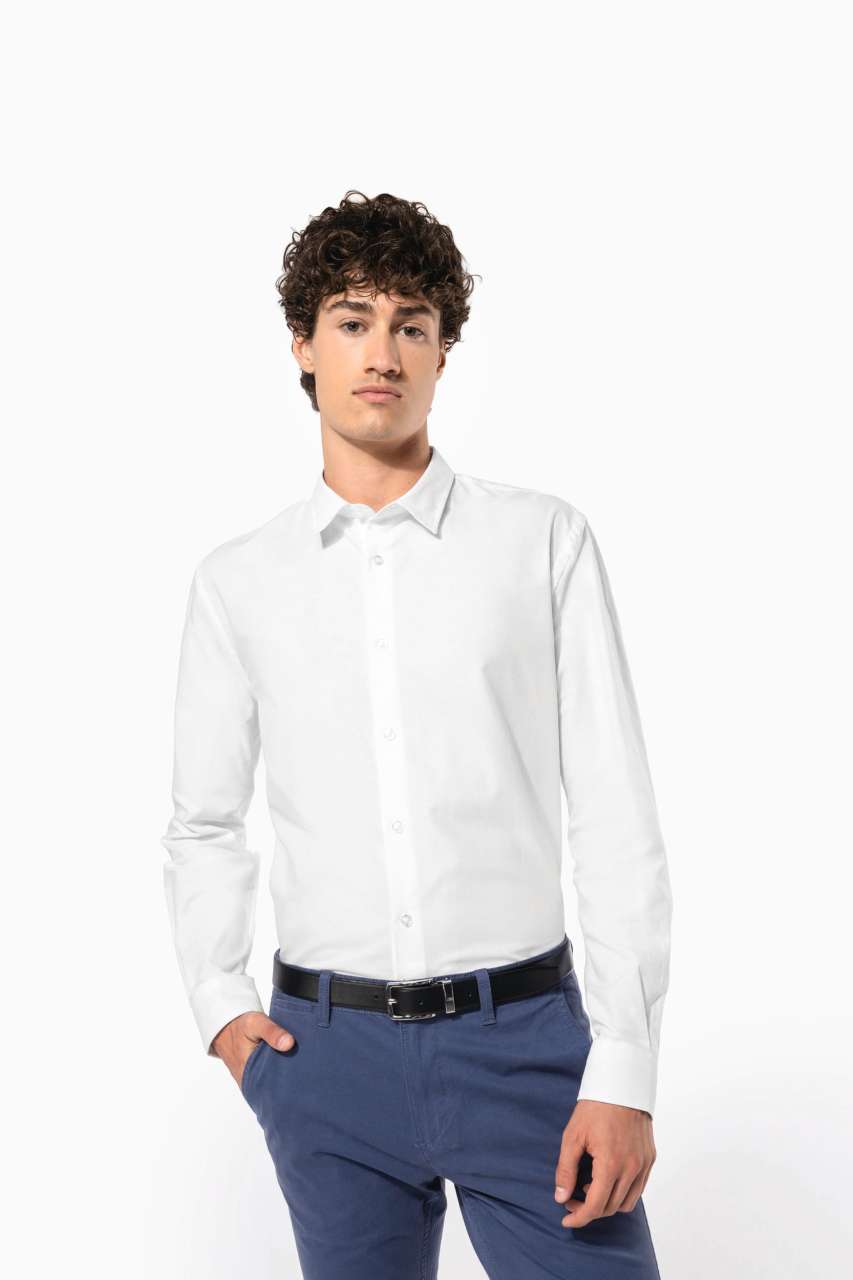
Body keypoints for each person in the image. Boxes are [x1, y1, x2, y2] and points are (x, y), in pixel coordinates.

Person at [160, 190, 673, 1279]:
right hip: (323, 1057)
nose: (382, 352)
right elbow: (203, 821)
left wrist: (623, 1066)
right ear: (304, 345)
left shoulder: (541, 542)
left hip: (523, 1043)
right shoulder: (239, 582)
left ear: (444, 351)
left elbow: (613, 809)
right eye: (352, 320)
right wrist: (224, 1010)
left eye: (411, 324)